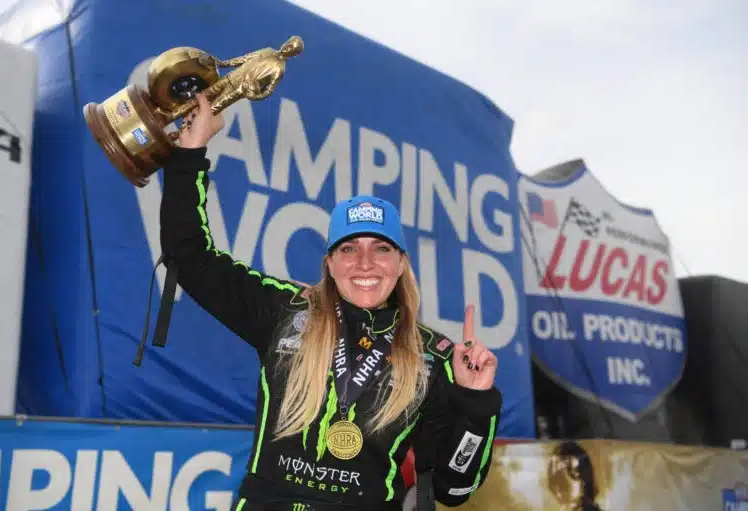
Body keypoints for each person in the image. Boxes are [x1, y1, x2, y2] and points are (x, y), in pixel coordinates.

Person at [158, 93, 503, 511]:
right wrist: (189, 153)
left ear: (401, 265)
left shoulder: (434, 357)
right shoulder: (284, 312)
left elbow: (454, 489)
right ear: (330, 263)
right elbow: (190, 256)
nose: (364, 263)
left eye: (381, 249)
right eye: (348, 249)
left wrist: (475, 401)